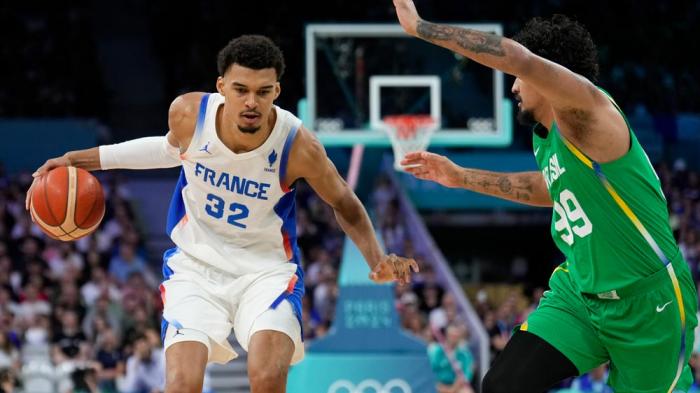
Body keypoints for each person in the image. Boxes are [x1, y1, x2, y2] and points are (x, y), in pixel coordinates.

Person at [26, 34, 418, 393]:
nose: (251, 102)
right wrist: (78, 159)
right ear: (221, 88)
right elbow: (164, 150)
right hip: (195, 267)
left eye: (263, 92)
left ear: (276, 92)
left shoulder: (297, 145)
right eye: (241, 90)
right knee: (182, 382)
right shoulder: (188, 114)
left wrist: (378, 259)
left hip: (266, 272)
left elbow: (345, 203)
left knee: (266, 376)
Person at [392, 2, 697, 392]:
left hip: (649, 302)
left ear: (549, 73)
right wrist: (460, 176)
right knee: (503, 385)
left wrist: (421, 27)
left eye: (520, 78)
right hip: (581, 294)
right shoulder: (547, 135)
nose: (514, 87)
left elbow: (519, 59)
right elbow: (550, 188)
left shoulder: (590, 111)